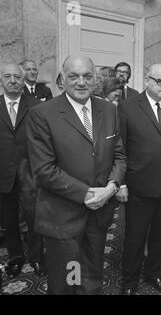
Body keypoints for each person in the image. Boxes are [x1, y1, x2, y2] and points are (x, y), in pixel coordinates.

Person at [27, 55, 126, 295]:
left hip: (99, 216)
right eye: (74, 76)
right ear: (62, 79)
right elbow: (44, 170)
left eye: (87, 76)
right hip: (63, 218)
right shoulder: (42, 114)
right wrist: (87, 194)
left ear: (95, 79)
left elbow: (120, 156)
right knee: (68, 281)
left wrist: (111, 188)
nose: (81, 82)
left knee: (92, 277)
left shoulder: (108, 110)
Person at [119, 64, 161, 295]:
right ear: (147, 80)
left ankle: (153, 273)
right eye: (160, 82)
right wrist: (122, 183)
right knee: (135, 237)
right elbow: (121, 147)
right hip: (139, 184)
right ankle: (129, 281)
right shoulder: (128, 107)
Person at [0, 63, 40, 278]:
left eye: (17, 76)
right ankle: (15, 258)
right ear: (1, 80)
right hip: (3, 174)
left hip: (30, 174)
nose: (13, 80)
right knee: (9, 221)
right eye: (8, 76)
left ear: (23, 80)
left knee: (34, 219)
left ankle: (37, 258)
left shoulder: (36, 107)